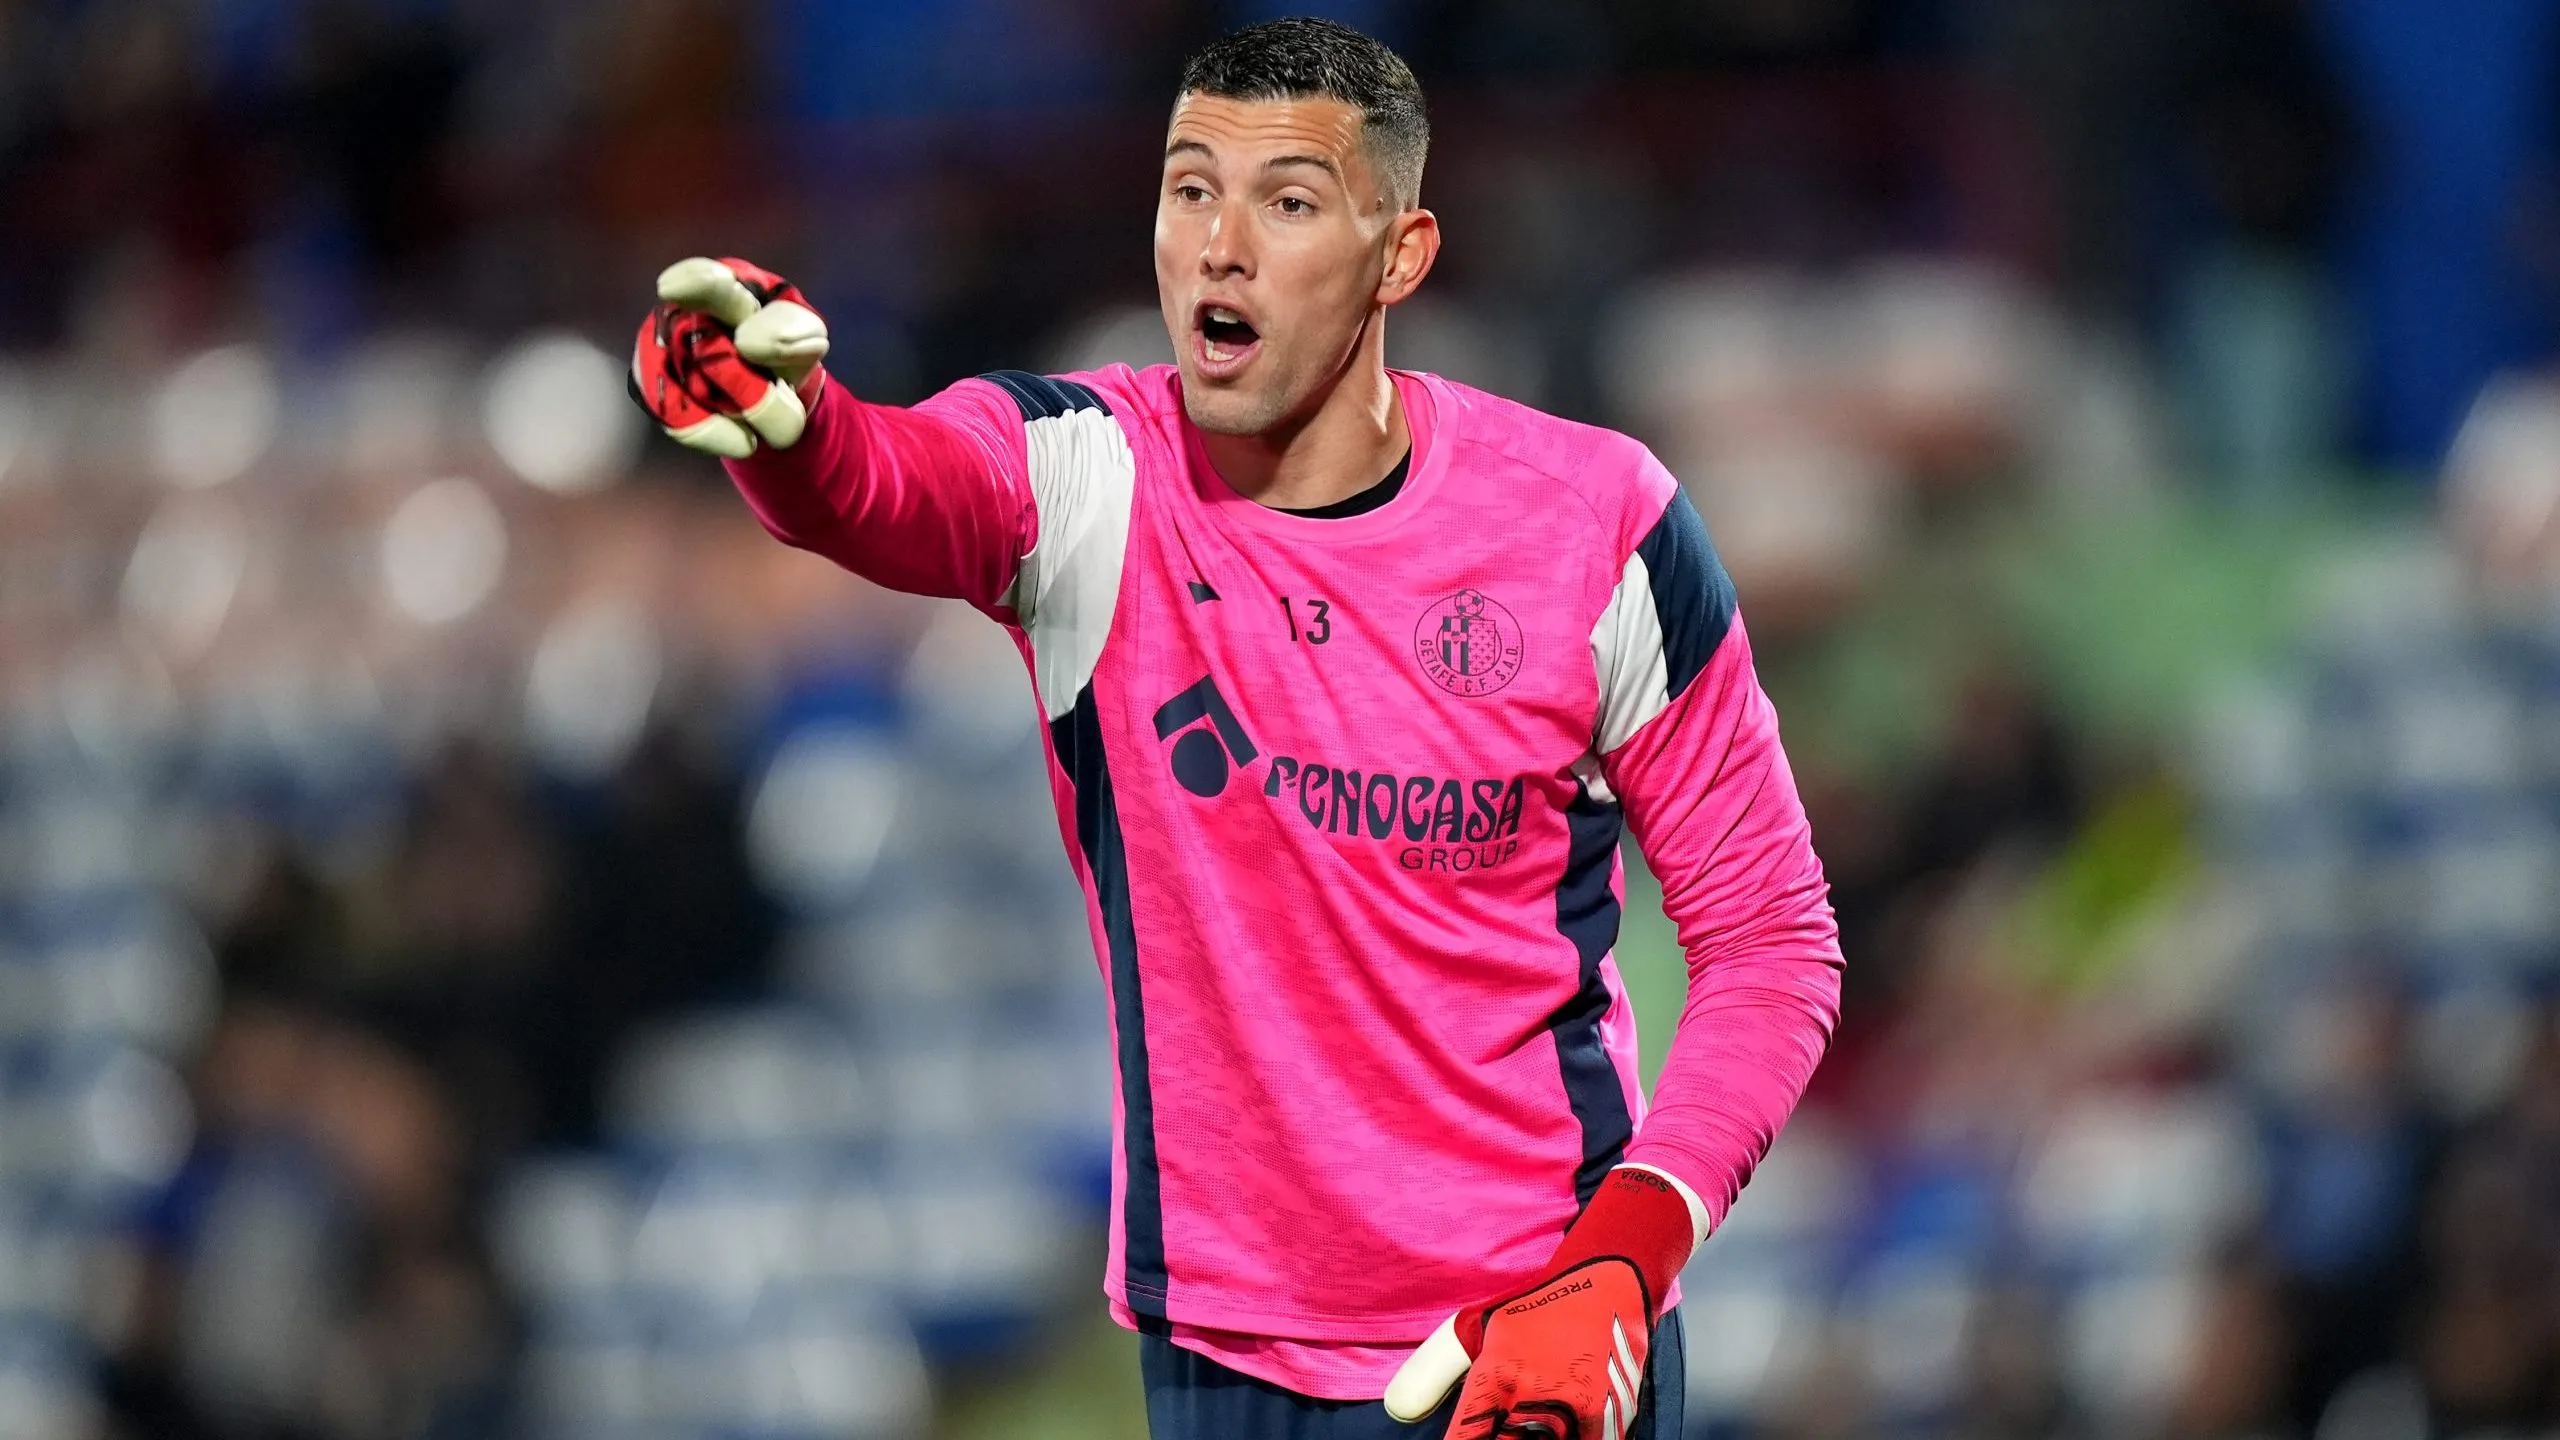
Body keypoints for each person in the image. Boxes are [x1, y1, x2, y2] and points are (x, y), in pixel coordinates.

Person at [629, 17, 1842, 1439]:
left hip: (1539, 1338)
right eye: (1189, 187)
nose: (1218, 245)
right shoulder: (1092, 482)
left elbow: (1772, 941)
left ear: (1400, 256)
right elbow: (898, 484)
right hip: (1223, 1357)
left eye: (1286, 203)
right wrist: (792, 427)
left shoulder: (1599, 526)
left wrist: (1621, 1266)